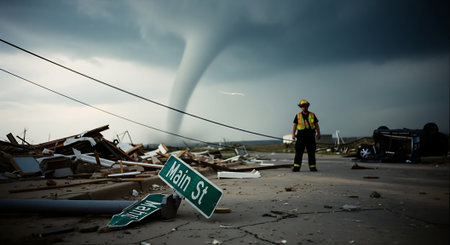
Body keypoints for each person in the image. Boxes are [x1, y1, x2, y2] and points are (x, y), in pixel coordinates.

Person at [292, 99, 321, 172]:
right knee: (298, 152)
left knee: (311, 152)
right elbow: (295, 125)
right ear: (301, 107)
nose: (304, 107)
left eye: (305, 106)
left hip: (310, 136)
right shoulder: (298, 115)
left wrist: (318, 133)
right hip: (300, 136)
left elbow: (316, 124)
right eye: (302, 106)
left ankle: (312, 167)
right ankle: (296, 167)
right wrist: (293, 134)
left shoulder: (312, 114)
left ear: (307, 106)